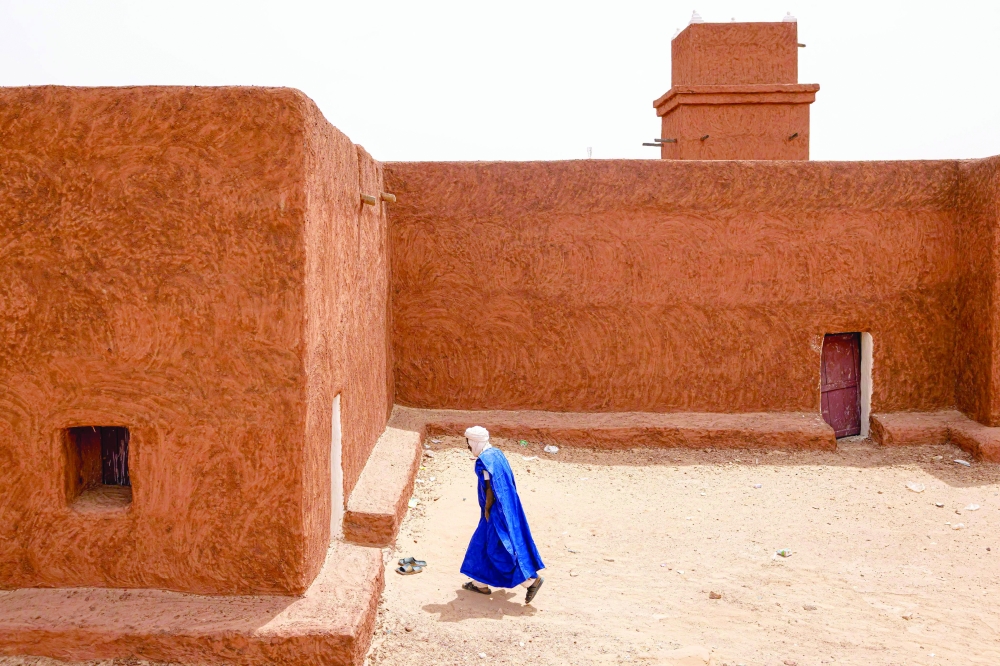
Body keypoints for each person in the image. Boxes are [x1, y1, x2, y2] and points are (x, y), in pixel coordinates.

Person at [460, 426, 545, 604]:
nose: (468, 446)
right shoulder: (496, 453)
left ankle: (530, 581)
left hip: (495, 512)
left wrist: (487, 508)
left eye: (468, 443)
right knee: (481, 545)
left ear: (474, 441)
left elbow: (490, 487)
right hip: (507, 506)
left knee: (498, 549)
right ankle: (479, 583)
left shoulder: (484, 460)